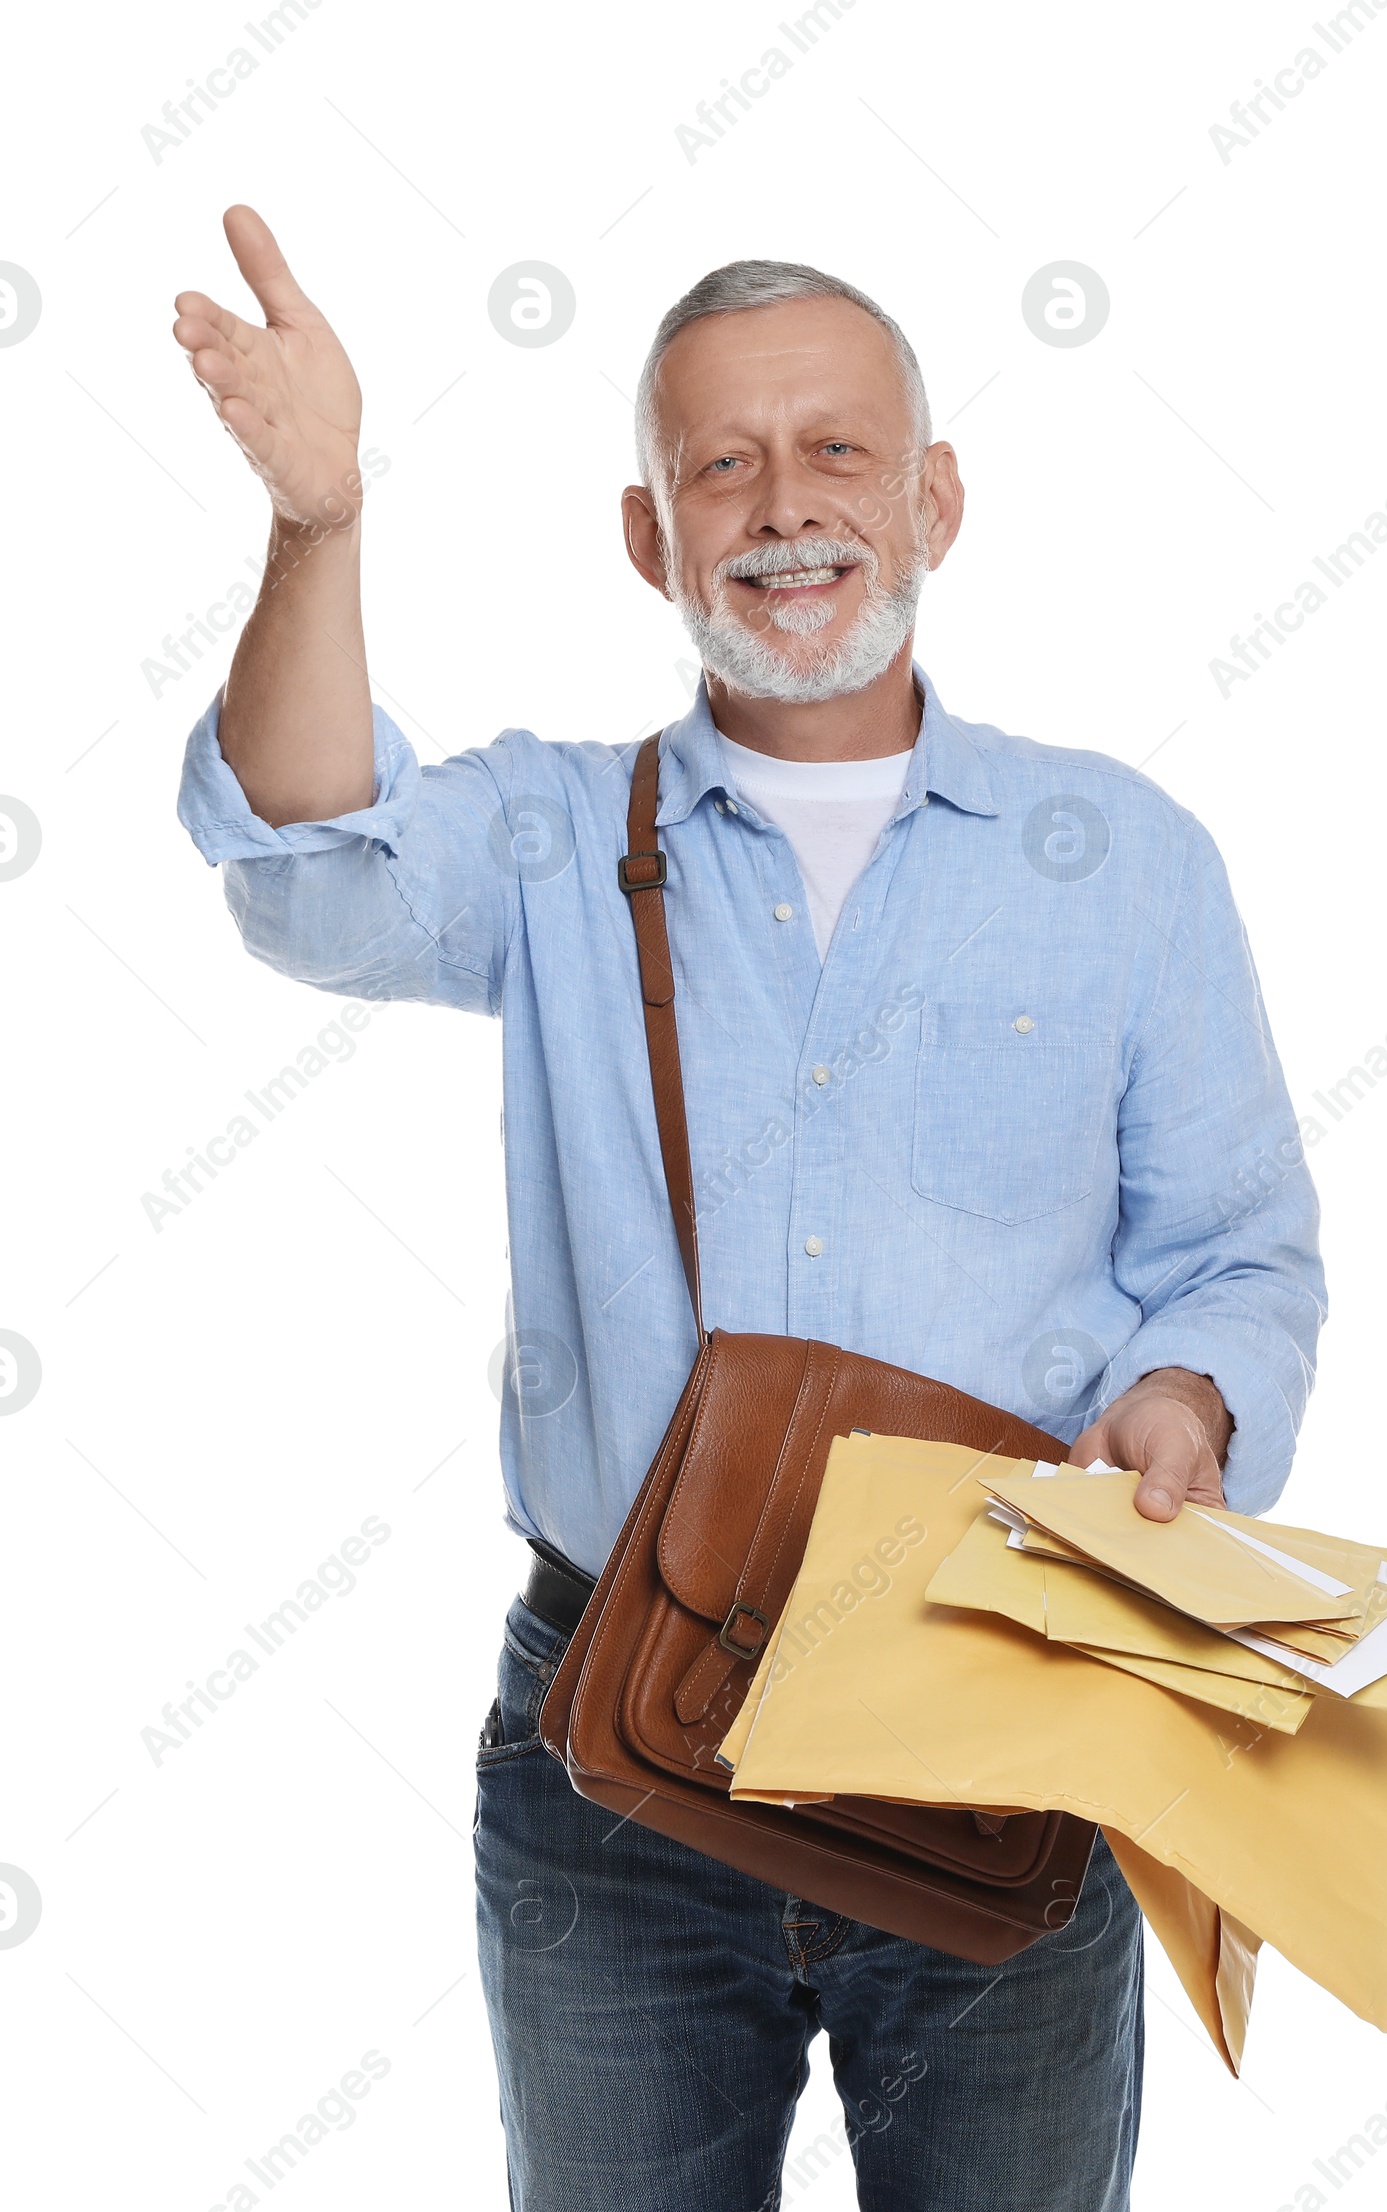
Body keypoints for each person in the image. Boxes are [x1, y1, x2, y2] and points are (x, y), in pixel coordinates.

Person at [172, 205, 1325, 2212]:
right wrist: (321, 524)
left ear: (934, 496)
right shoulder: (546, 833)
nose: (782, 509)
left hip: (1000, 1714)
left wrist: (1189, 1405)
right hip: (611, 1748)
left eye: (835, 451)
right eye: (720, 464)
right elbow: (305, 862)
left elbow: (1236, 1247)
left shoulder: (1122, 858)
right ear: (651, 536)